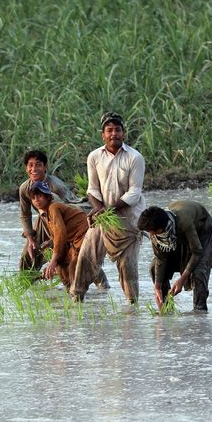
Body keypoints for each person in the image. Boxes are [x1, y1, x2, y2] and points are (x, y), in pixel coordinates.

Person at [70, 112, 146, 303]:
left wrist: (107, 210)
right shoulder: (94, 157)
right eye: (109, 130)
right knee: (86, 256)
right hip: (103, 218)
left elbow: (134, 193)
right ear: (102, 134)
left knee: (128, 266)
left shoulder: (135, 157)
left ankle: (132, 306)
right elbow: (92, 189)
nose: (114, 134)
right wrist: (98, 209)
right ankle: (77, 297)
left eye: (117, 130)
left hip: (128, 221)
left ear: (124, 133)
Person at [137, 201, 212, 312]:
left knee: (199, 271)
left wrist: (181, 279)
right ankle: (166, 308)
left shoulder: (184, 222)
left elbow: (197, 252)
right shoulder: (157, 234)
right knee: (153, 268)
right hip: (179, 237)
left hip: (203, 231)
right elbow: (161, 258)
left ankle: (200, 311)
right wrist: (157, 287)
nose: (151, 235)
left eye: (152, 232)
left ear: (161, 228)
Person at [18, 149, 82, 271]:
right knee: (28, 256)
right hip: (43, 222)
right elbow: (25, 215)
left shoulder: (56, 187)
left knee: (75, 257)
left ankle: (102, 284)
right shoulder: (24, 188)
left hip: (63, 223)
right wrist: (30, 239)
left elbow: (71, 208)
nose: (34, 169)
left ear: (45, 167)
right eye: (30, 165)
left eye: (38, 165)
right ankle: (27, 285)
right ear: (26, 168)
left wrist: (54, 240)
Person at [28, 181, 96, 290]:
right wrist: (50, 243)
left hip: (84, 236)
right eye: (34, 197)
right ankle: (72, 294)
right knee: (62, 266)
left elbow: (60, 234)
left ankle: (78, 296)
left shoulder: (53, 208)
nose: (37, 200)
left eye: (40, 196)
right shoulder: (46, 215)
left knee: (74, 267)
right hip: (74, 240)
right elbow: (58, 234)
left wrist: (53, 261)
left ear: (47, 197)